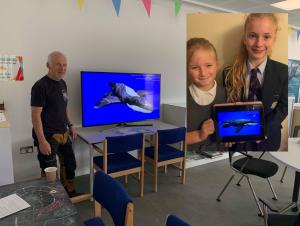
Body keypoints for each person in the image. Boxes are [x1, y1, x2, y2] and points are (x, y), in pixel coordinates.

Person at [224, 13, 288, 151]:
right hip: (237, 140)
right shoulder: (228, 73)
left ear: (274, 39)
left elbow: (283, 107)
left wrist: (265, 128)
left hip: (268, 140)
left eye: (266, 37)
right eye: (252, 35)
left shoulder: (283, 72)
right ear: (245, 38)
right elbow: (226, 107)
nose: (259, 43)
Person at [31, 51, 80, 197]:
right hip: (47, 136)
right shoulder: (40, 86)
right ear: (48, 65)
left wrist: (71, 125)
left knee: (70, 164)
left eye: (65, 65)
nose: (62, 68)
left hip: (63, 133)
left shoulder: (63, 83)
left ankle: (69, 192)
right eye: (58, 64)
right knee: (50, 170)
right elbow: (35, 116)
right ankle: (51, 198)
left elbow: (64, 107)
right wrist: (42, 141)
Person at [186, 38, 226, 153]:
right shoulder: (182, 99)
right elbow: (174, 138)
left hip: (218, 159)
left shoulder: (228, 95)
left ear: (217, 65)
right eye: (195, 67)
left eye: (208, 65)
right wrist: (199, 135)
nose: (203, 73)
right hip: (191, 161)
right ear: (187, 69)